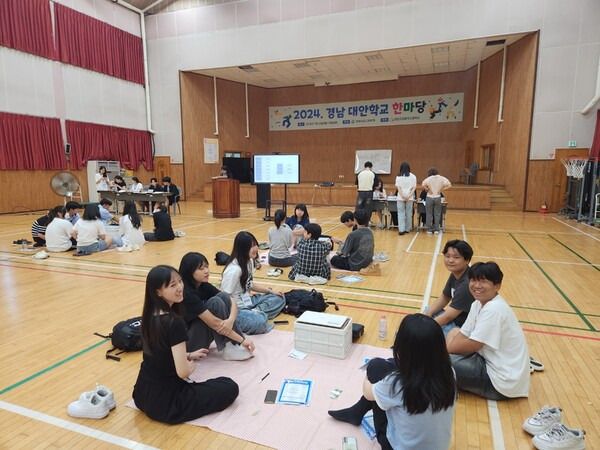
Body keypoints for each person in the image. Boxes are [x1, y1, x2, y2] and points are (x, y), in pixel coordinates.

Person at [328, 314, 456, 449]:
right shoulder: (449, 373)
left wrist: (370, 372)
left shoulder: (397, 383)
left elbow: (367, 392)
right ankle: (357, 411)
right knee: (387, 368)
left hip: (394, 447)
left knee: (377, 366)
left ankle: (357, 411)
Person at [132, 265, 239, 424]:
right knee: (229, 386)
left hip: (141, 394)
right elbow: (183, 372)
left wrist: (188, 354)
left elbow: (158, 354)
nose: (180, 287)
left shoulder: (148, 316)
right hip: (167, 403)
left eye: (180, 281)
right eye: (172, 285)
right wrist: (190, 365)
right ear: (158, 292)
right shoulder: (174, 322)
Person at [446, 261, 530, 400]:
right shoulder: (477, 303)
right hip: (489, 362)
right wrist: (450, 346)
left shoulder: (494, 309)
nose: (476, 286)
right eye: (473, 280)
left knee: (434, 361)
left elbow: (470, 345)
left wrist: (447, 348)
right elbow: (460, 334)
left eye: (483, 281)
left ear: (497, 286)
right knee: (453, 331)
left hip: (500, 383)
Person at [178, 252, 255, 361]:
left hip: (197, 334)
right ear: (189, 272)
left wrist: (230, 320)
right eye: (201, 268)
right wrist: (242, 340)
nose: (206, 271)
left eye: (206, 266)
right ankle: (229, 348)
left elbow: (231, 301)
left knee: (222, 296)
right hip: (188, 347)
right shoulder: (187, 294)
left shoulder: (202, 285)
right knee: (215, 303)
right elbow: (214, 323)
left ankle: (234, 344)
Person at [220, 231, 286, 335]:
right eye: (251, 246)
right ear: (242, 249)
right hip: (236, 309)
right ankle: (256, 315)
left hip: (249, 301)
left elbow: (250, 285)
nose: (255, 248)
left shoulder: (249, 261)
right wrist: (234, 315)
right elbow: (224, 297)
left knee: (280, 297)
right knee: (259, 322)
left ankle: (256, 312)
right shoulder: (234, 271)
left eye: (255, 244)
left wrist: (271, 291)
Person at [423, 240, 474, 336]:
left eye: (456, 257)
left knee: (424, 334)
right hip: (455, 320)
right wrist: (429, 314)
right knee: (428, 311)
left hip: (462, 328)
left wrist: (426, 327)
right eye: (447, 256)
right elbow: (445, 297)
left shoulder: (467, 285)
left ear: (467, 260)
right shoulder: (456, 273)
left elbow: (448, 316)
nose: (450, 260)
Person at [422, 166, 451, 235]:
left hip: (429, 197)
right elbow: (449, 185)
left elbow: (423, 184)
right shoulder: (442, 178)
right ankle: (436, 230)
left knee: (429, 213)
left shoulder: (428, 179)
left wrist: (428, 190)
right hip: (438, 197)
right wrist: (441, 189)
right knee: (437, 214)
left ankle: (429, 229)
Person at [395, 162, 417, 235]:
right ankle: (408, 228)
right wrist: (409, 195)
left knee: (401, 213)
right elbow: (414, 187)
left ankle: (401, 229)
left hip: (400, 197)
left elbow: (398, 188)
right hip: (410, 197)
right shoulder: (413, 176)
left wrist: (402, 195)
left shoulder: (398, 176)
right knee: (409, 213)